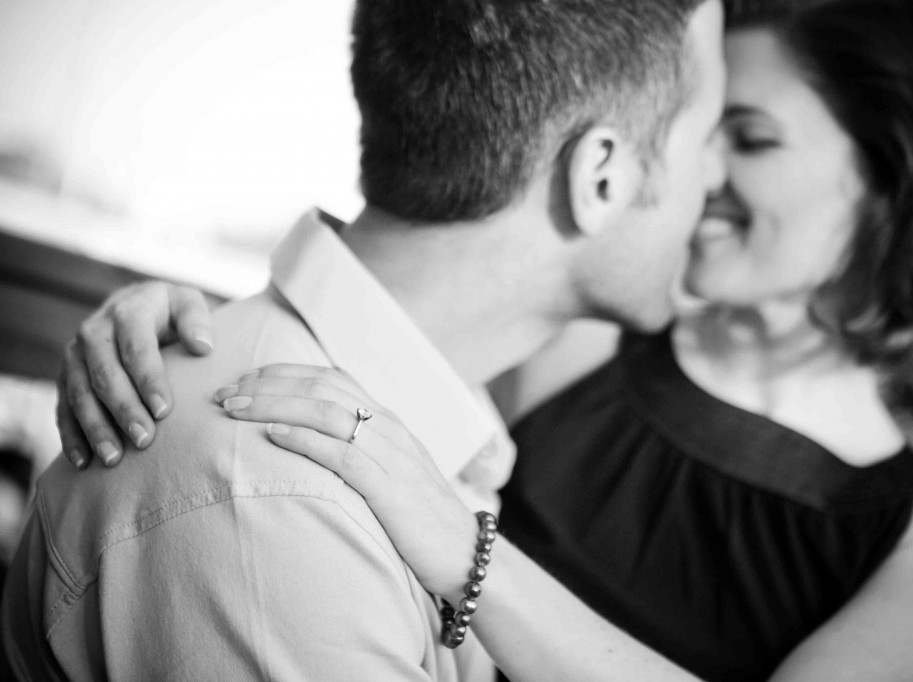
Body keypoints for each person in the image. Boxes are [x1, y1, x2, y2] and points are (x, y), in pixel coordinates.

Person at [22, 0, 913, 680]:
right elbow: (389, 319)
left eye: (748, 137)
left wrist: (473, 557)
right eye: (699, 130)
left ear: (896, 181)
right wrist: (172, 324)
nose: (701, 175)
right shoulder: (593, 334)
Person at [0, 0, 728, 679]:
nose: (719, 176)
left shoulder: (437, 410)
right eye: (710, 135)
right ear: (600, 175)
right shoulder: (278, 507)